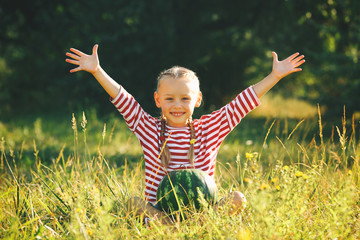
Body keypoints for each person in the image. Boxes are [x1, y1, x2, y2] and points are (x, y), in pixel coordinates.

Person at [65, 44, 305, 224]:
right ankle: (175, 230)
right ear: (158, 100)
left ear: (197, 100)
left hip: (203, 211)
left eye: (185, 98)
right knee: (132, 203)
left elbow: (241, 103)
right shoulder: (148, 129)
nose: (177, 105)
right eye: (169, 98)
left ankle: (190, 228)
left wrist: (274, 76)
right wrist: (97, 71)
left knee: (238, 199)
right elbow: (123, 100)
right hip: (160, 213)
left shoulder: (210, 128)